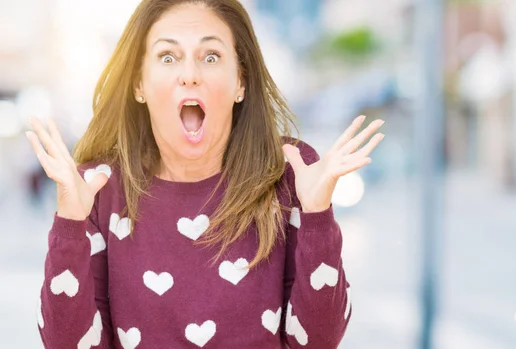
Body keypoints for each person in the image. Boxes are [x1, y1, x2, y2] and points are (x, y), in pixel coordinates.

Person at [25, 0, 385, 348]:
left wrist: (318, 216)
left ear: (240, 81)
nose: (190, 75)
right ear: (139, 85)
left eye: (210, 56)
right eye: (168, 57)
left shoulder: (289, 172)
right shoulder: (98, 187)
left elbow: (318, 342)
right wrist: (70, 223)